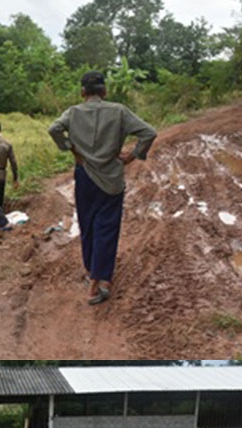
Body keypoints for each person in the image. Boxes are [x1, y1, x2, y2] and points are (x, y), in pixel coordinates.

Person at [49, 70, 157, 305]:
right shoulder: (119, 111)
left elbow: (54, 129)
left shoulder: (74, 112)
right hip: (111, 176)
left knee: (87, 224)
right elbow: (149, 133)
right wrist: (132, 156)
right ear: (104, 91)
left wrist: (72, 149)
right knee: (106, 226)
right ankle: (101, 281)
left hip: (85, 175)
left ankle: (91, 271)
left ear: (83, 92)